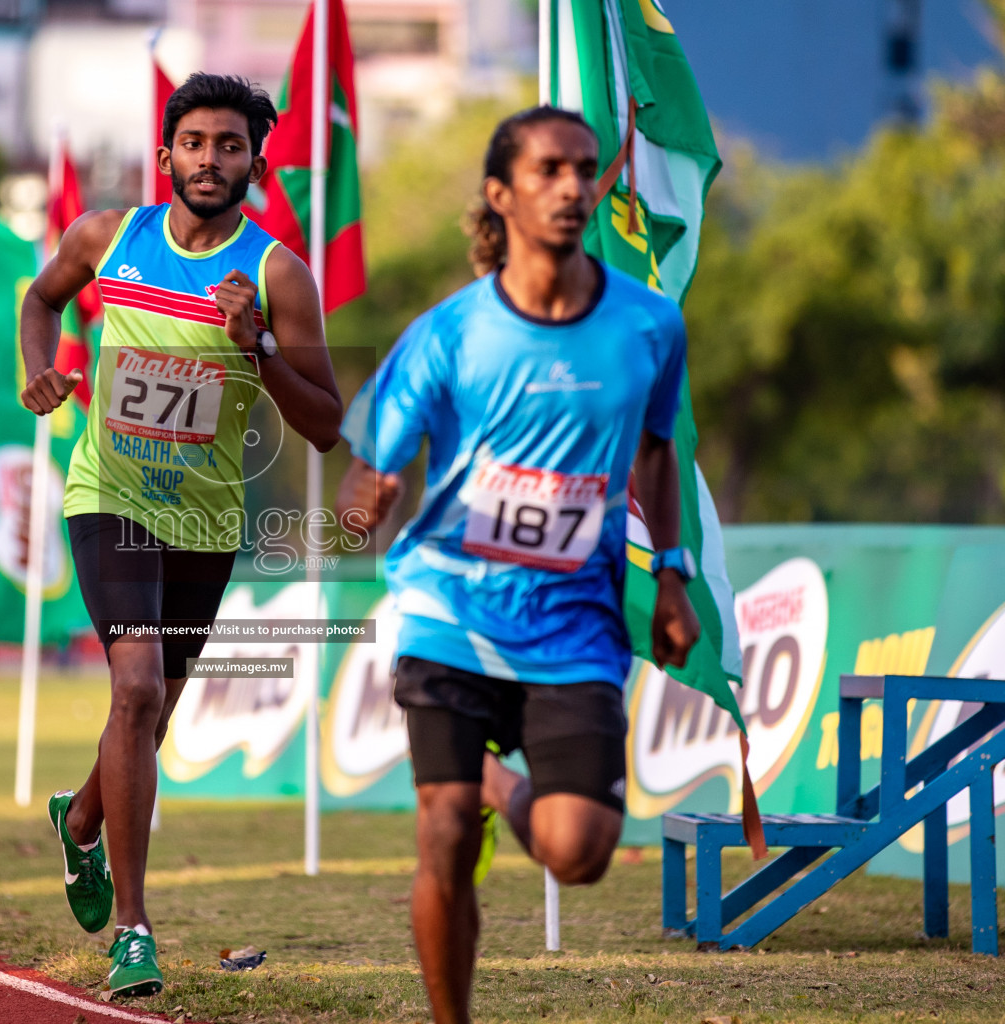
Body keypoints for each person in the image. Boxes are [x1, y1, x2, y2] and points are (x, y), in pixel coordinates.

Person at [334, 106, 701, 1024]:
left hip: (574, 625)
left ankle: (495, 779)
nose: (574, 186)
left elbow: (656, 450)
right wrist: (361, 505)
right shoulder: (449, 334)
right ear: (502, 196)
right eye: (549, 170)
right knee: (445, 833)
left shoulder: (650, 327)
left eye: (585, 168)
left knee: (580, 852)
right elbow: (374, 463)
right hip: (448, 608)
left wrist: (672, 575)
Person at [19, 73, 343, 998]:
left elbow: (326, 423)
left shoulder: (280, 275)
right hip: (108, 492)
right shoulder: (108, 239)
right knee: (137, 684)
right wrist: (38, 372)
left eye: (230, 145)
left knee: (148, 713)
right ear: (167, 156)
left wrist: (260, 349)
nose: (211, 159)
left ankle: (81, 820)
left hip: (204, 518)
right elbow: (39, 301)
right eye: (194, 143)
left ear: (257, 161)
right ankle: (134, 929)